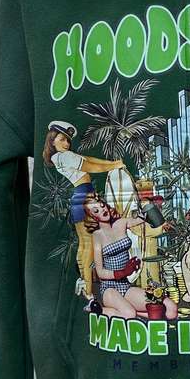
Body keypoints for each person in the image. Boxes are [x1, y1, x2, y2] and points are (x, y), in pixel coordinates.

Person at [42, 119, 125, 301]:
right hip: (84, 196)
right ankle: (88, 289)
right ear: (52, 141)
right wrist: (114, 165)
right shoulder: (63, 156)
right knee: (88, 244)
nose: (66, 143)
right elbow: (91, 167)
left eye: (67, 140)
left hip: (83, 195)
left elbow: (89, 159)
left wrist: (113, 162)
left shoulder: (63, 156)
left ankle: (85, 282)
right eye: (61, 139)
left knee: (85, 244)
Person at [82, 195, 179, 320]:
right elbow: (100, 272)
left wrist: (154, 206)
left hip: (125, 286)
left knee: (170, 309)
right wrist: (123, 271)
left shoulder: (121, 223)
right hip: (109, 289)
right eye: (96, 211)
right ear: (93, 217)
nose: (102, 210)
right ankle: (96, 308)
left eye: (102, 206)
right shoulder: (97, 236)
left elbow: (143, 217)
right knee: (129, 314)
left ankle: (138, 314)